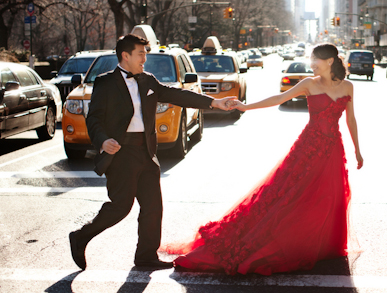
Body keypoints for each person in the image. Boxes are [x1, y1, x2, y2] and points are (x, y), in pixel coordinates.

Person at [169, 43, 363, 275]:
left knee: (329, 197)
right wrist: (246, 107)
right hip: (308, 149)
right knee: (288, 195)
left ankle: (321, 244)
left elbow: (351, 120)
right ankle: (291, 241)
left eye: (316, 60)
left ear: (330, 62)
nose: (312, 64)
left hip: (333, 150)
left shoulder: (349, 87)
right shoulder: (309, 83)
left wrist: (357, 150)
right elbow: (279, 98)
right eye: (311, 60)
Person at [69, 34, 235, 270]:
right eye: (141, 53)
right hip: (121, 152)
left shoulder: (148, 80)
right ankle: (81, 236)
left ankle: (146, 256)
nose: (145, 58)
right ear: (125, 56)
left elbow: (177, 95)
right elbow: (94, 118)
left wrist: (213, 102)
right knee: (120, 207)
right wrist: (103, 140)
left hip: (146, 152)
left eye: (145, 53)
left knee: (153, 206)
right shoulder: (105, 83)